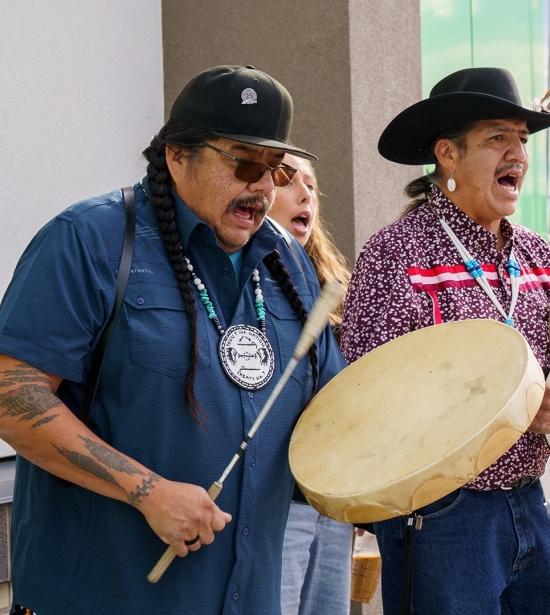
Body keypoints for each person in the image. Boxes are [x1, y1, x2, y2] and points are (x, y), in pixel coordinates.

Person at [0, 65, 346, 614]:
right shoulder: (90, 241)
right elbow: (10, 395)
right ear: (177, 156)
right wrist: (146, 491)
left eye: (275, 169)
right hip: (108, 597)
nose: (260, 184)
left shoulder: (288, 263)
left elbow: (334, 405)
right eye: (244, 162)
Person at [340, 67, 550, 614]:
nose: (518, 152)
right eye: (498, 137)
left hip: (527, 497)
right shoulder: (396, 255)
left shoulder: (539, 256)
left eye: (522, 138)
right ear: (447, 155)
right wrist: (517, 408)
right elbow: (372, 402)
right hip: (442, 513)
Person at [268, 154, 356, 615]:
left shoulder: (329, 283)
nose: (306, 195)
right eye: (288, 182)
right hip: (276, 505)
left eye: (313, 185)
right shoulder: (246, 281)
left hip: (328, 503)